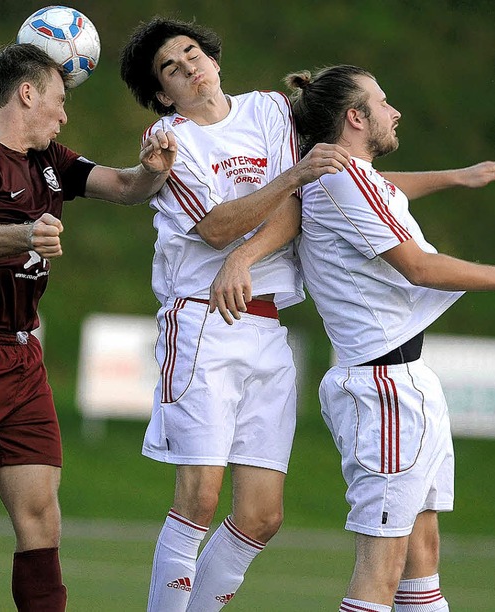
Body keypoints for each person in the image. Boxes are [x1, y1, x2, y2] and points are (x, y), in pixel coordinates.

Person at [0, 42, 175, 611]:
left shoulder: (50, 160)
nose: (64, 113)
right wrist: (26, 234)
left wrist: (151, 172)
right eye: (58, 98)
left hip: (22, 358)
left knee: (41, 519)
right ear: (26, 93)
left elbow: (124, 187)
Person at [281, 64, 495, 611]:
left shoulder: (350, 179)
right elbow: (418, 267)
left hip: (406, 381)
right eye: (382, 101)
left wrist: (454, 176)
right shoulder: (342, 180)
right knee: (383, 566)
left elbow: (385, 187)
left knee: (422, 555)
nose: (394, 112)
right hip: (383, 390)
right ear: (355, 118)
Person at [119, 16, 351, 611]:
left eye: (193, 53)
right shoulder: (169, 142)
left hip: (268, 326)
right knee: (198, 500)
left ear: (215, 59)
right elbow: (218, 226)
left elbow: (295, 207)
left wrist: (250, 250)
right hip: (201, 323)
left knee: (261, 516)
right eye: (171, 67)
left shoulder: (272, 110)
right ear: (162, 93)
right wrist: (290, 179)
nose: (188, 67)